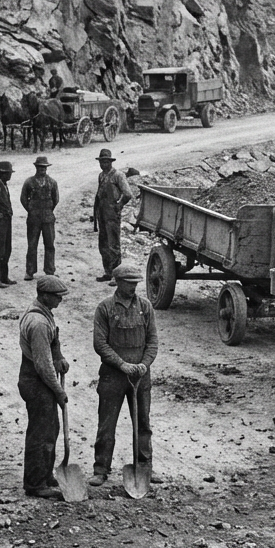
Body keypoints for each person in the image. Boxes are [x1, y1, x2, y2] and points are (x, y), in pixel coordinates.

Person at [89, 263, 160, 486]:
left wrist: (144, 364)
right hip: (113, 376)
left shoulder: (146, 307)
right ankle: (101, 469)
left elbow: (153, 341)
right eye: (129, 283)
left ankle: (144, 467)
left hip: (140, 376)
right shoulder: (105, 308)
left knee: (143, 423)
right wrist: (122, 365)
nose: (133, 287)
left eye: (135, 283)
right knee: (107, 423)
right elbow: (100, 344)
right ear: (117, 282)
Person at [18, 275, 72, 499]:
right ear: (44, 296)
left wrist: (59, 357)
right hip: (37, 381)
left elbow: (52, 348)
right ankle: (35, 484)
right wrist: (59, 392)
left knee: (51, 429)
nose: (60, 300)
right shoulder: (38, 323)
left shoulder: (45, 314)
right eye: (57, 296)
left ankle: (46, 473)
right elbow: (43, 365)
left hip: (41, 380)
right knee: (40, 434)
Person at [92, 148, 132, 283]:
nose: (103, 164)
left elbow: (127, 194)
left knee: (113, 245)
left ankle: (117, 275)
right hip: (102, 214)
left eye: (105, 162)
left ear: (110, 162)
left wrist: (119, 206)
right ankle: (108, 272)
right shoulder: (101, 176)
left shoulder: (118, 175)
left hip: (112, 215)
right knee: (103, 244)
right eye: (101, 162)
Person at [20, 156, 60, 281]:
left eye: (44, 167)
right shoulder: (29, 182)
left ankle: (49, 270)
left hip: (48, 217)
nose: (42, 169)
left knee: (49, 244)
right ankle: (30, 271)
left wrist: (48, 210)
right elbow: (23, 199)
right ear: (36, 167)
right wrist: (31, 210)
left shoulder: (52, 182)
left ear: (47, 168)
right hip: (33, 218)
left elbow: (56, 199)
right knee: (32, 244)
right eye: (40, 167)